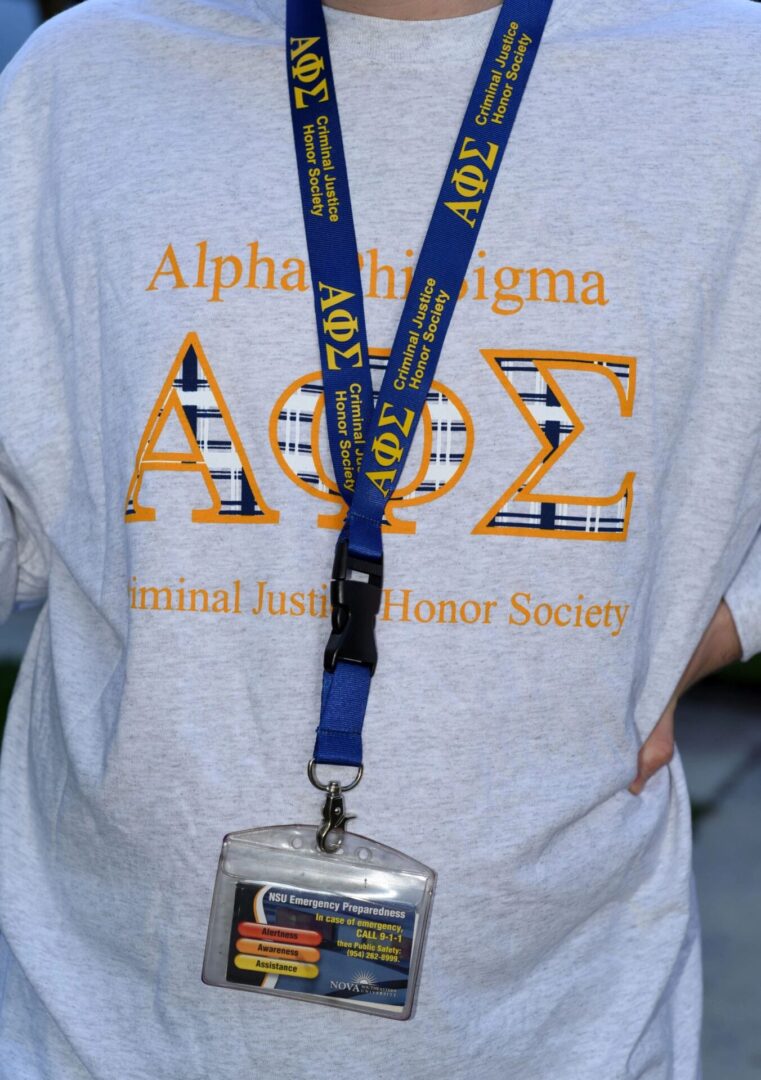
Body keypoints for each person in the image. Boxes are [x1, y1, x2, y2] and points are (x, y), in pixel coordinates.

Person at [0, 0, 759, 1075]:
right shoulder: (81, 78)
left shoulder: (731, 84)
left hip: (559, 1034)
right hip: (99, 1030)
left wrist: (722, 622)